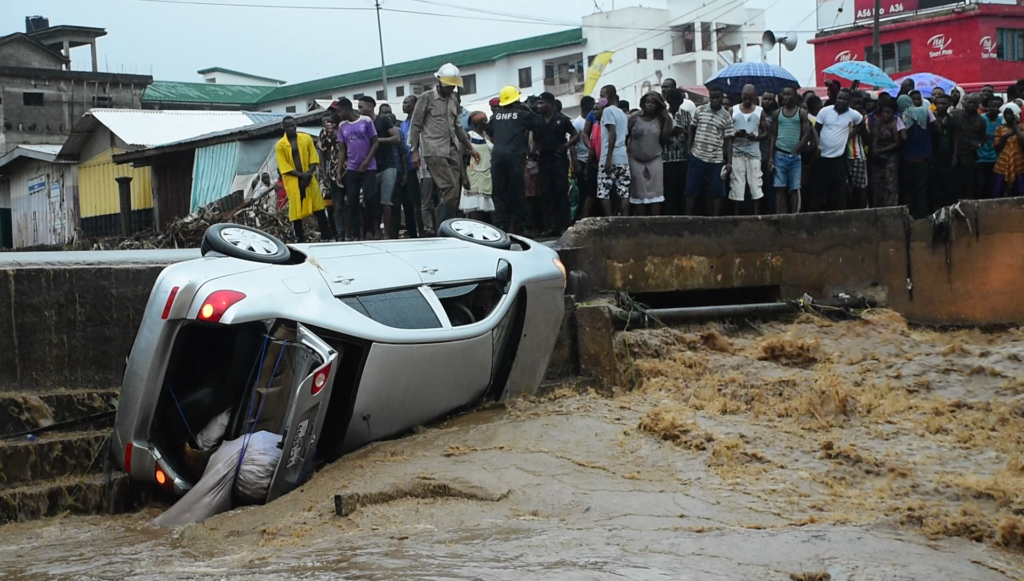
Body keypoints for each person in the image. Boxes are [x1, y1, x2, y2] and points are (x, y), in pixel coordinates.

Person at [407, 63, 480, 226]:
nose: (450, 89)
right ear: (440, 82)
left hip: (451, 149)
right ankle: (444, 225)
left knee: (454, 190)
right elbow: (415, 125)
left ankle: (445, 223)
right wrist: (414, 151)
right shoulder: (426, 98)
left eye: (453, 86)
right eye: (448, 86)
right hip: (434, 150)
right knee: (449, 187)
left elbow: (458, 127)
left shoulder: (453, 99)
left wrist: (470, 148)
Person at [489, 85, 541, 234]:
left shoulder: (495, 117)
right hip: (514, 157)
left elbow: (490, 131)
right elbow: (539, 124)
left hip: (497, 157)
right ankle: (524, 226)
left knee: (499, 192)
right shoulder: (522, 115)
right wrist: (529, 110)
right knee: (517, 191)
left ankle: (500, 226)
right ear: (516, 100)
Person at [275, 116, 331, 243]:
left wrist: (309, 174)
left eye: (293, 125)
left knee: (318, 206)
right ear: (283, 128)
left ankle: (326, 236)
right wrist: (301, 176)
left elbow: (313, 157)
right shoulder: (280, 145)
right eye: (288, 126)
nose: (291, 128)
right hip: (294, 180)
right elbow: (284, 167)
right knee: (295, 210)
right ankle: (299, 239)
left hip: (309, 178)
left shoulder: (305, 138)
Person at [357, 96, 402, 239]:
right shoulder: (360, 124)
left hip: (388, 165)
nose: (359, 110)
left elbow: (396, 138)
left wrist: (377, 141)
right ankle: (376, 231)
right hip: (371, 167)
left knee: (386, 201)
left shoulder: (383, 120)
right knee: (371, 201)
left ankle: (387, 234)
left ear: (371, 106)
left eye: (361, 107)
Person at [335, 98, 379, 241]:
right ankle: (355, 232)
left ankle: (370, 229)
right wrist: (339, 170)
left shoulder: (365, 121)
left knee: (370, 198)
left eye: (340, 111)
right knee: (352, 201)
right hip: (352, 168)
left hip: (369, 167)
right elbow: (342, 149)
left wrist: (366, 162)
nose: (339, 114)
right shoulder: (342, 126)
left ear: (347, 110)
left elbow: (375, 143)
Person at [686, 85, 733, 216]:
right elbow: (692, 129)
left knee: (717, 192)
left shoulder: (726, 116)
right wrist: (689, 149)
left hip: (716, 158)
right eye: (712, 97)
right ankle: (687, 219)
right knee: (691, 190)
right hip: (697, 155)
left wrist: (729, 161)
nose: (715, 100)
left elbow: (728, 140)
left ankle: (715, 219)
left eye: (717, 98)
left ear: (722, 97)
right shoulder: (699, 110)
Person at [536, 91, 579, 234]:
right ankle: (551, 226)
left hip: (559, 160)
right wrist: (532, 152)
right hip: (543, 161)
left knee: (560, 192)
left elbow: (575, 135)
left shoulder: (562, 119)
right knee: (546, 194)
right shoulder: (538, 120)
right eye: (539, 103)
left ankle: (563, 226)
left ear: (550, 104)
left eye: (542, 103)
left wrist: (565, 146)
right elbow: (534, 139)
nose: (539, 106)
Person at [814, 88, 863, 212]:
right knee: (819, 187)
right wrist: (818, 146)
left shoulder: (853, 114)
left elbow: (861, 124)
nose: (841, 101)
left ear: (849, 100)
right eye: (839, 98)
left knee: (839, 187)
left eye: (844, 99)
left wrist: (849, 135)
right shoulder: (825, 111)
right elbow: (816, 129)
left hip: (839, 156)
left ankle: (839, 214)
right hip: (823, 155)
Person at [627, 92, 673, 216]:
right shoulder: (634, 118)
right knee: (638, 193)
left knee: (656, 193)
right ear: (643, 103)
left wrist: (667, 118)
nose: (650, 105)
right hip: (635, 159)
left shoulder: (661, 120)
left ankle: (654, 221)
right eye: (648, 102)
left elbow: (665, 138)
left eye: (653, 103)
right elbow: (626, 136)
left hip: (655, 158)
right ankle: (641, 222)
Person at [770, 86, 810, 214]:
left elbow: (806, 135)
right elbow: (773, 135)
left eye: (789, 94)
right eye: (784, 94)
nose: (785, 97)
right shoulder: (777, 113)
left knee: (794, 188)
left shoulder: (801, 113)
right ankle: (780, 216)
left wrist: (795, 151)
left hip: (795, 157)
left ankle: (794, 217)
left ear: (795, 96)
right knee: (779, 188)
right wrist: (771, 156)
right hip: (779, 155)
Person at [728, 84, 767, 215]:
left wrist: (755, 137)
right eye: (745, 98)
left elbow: (766, 133)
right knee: (736, 184)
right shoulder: (732, 110)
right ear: (741, 96)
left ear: (754, 97)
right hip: (736, 152)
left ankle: (757, 216)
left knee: (756, 183)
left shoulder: (759, 111)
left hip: (754, 153)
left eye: (750, 98)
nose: (747, 101)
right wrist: (735, 133)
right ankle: (736, 217)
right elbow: (726, 132)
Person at [897, 94, 935, 218]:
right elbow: (937, 128)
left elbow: (903, 137)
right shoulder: (926, 111)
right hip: (923, 157)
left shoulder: (901, 116)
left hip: (908, 158)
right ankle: (922, 214)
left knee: (908, 187)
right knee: (922, 187)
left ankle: (910, 214)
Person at [402, 95, 435, 236]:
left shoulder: (424, 122)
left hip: (425, 166)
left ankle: (430, 229)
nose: (403, 105)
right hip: (410, 167)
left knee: (427, 200)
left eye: (406, 102)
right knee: (416, 201)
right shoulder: (404, 124)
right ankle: (421, 231)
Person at [598, 85, 631, 217]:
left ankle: (609, 222)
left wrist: (608, 159)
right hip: (623, 158)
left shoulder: (607, 111)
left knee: (603, 193)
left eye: (602, 95)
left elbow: (613, 134)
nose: (600, 99)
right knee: (624, 193)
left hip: (609, 157)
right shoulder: (622, 114)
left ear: (609, 96)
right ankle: (625, 221)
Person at [382, 104, 415, 238]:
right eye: (384, 113)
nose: (387, 115)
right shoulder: (376, 130)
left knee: (397, 204)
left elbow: (403, 153)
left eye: (389, 112)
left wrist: (405, 173)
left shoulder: (398, 132)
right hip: (383, 172)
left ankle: (395, 234)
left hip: (397, 171)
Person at [867, 100, 904, 208]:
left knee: (890, 185)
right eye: (884, 112)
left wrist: (882, 150)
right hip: (876, 157)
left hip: (890, 157)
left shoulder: (894, 123)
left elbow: (897, 143)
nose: (886, 115)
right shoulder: (877, 122)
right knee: (876, 185)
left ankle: (890, 208)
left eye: (888, 112)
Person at [951, 93, 986, 201]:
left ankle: (967, 201)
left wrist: (978, 144)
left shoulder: (981, 120)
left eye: (974, 103)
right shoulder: (955, 114)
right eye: (969, 102)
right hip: (953, 152)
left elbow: (983, 138)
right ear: (964, 103)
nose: (972, 105)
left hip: (969, 154)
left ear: (978, 104)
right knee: (953, 180)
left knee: (968, 181)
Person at [460, 111, 495, 221]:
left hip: (486, 175)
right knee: (474, 207)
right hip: (473, 175)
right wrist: (464, 178)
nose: (486, 123)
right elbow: (460, 157)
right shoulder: (469, 137)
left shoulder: (487, 137)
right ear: (477, 123)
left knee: (486, 206)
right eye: (484, 121)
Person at [663, 88, 691, 216]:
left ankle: (681, 214)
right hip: (666, 157)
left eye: (677, 103)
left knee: (681, 187)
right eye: (673, 103)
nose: (675, 106)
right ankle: (669, 214)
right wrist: (669, 134)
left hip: (682, 156)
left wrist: (685, 134)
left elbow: (691, 133)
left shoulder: (686, 114)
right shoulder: (662, 116)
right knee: (669, 188)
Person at [318, 107, 344, 240]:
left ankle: (354, 234)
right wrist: (324, 173)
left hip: (350, 171)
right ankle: (340, 235)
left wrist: (334, 131)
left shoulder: (346, 127)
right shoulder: (324, 133)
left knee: (352, 204)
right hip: (333, 173)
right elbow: (322, 153)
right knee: (337, 206)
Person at [931, 94, 958, 210]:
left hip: (948, 153)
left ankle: (949, 208)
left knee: (949, 183)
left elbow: (956, 136)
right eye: (939, 103)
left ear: (949, 105)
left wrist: (955, 154)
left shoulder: (952, 119)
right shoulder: (931, 118)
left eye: (944, 103)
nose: (941, 106)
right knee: (935, 184)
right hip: (935, 154)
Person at [572, 96, 595, 221]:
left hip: (593, 160)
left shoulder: (594, 121)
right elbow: (572, 146)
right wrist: (577, 164)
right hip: (582, 159)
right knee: (584, 192)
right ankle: (581, 216)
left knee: (592, 191)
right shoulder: (577, 123)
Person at [993, 103, 1024, 197]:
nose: (1008, 116)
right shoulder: (1000, 128)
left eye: (1010, 114)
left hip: (1019, 161)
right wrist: (1006, 136)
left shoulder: (1022, 127)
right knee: (998, 189)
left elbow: (1022, 142)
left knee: (1021, 189)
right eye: (1006, 114)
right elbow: (997, 147)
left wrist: (1016, 127)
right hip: (1003, 161)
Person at [977, 95, 1004, 199]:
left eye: (998, 107)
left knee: (994, 185)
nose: (996, 109)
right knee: (982, 184)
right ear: (989, 106)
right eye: (993, 106)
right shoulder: (981, 119)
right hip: (981, 157)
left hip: (996, 157)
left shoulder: (1001, 120)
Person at [846, 91, 870, 209]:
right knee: (846, 189)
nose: (857, 107)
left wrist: (860, 125)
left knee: (860, 188)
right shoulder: (842, 116)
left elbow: (868, 138)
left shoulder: (864, 118)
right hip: (842, 156)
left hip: (858, 156)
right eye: (855, 104)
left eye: (860, 104)